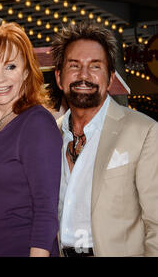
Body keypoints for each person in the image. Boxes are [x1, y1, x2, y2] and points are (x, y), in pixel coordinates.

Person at [51, 22, 158, 257]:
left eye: (95, 66)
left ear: (110, 79)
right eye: (74, 66)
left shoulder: (144, 132)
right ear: (59, 77)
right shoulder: (49, 135)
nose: (84, 75)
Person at [0, 22, 62, 257]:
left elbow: (46, 211)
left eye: (10, 66)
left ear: (27, 72)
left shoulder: (36, 123)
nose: (0, 78)